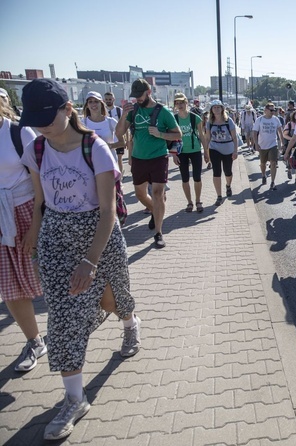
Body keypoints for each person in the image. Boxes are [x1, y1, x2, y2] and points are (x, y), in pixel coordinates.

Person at [19, 78, 140, 441]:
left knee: (113, 297)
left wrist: (90, 261)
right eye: (34, 119)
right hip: (56, 236)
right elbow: (41, 201)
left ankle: (130, 321)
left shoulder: (95, 148)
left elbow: (107, 212)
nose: (41, 126)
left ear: (67, 110)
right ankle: (74, 399)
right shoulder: (37, 150)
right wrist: (35, 237)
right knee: (62, 314)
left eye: (47, 117)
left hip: (98, 234)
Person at [0, 96, 47, 373]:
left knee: (53, 274)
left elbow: (41, 178)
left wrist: (35, 224)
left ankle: (78, 322)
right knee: (10, 287)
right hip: (2, 219)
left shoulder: (18, 132)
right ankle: (35, 341)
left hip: (28, 210)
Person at [115, 79, 182, 248]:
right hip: (139, 158)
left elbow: (177, 134)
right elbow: (119, 133)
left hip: (158, 157)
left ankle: (158, 233)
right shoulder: (133, 110)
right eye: (135, 96)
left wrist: (160, 134)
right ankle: (155, 210)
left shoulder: (162, 111)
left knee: (158, 193)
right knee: (139, 194)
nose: (137, 99)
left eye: (140, 95)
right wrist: (123, 115)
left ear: (149, 92)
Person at [174, 92, 206, 212]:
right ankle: (189, 202)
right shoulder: (174, 119)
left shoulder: (195, 118)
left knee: (197, 177)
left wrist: (206, 152)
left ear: (186, 103)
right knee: (185, 178)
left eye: (181, 102)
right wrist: (174, 155)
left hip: (195, 150)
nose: (179, 105)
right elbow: (172, 138)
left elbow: (202, 136)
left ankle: (198, 200)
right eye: (177, 103)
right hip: (181, 152)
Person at [204, 99, 237, 205]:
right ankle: (219, 196)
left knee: (228, 172)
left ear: (222, 109)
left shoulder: (228, 121)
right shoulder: (210, 122)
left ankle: (228, 185)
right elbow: (207, 138)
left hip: (228, 149)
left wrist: (235, 151)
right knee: (216, 172)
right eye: (214, 107)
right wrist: (206, 152)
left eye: (218, 107)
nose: (216, 109)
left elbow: (234, 137)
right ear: (211, 110)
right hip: (215, 148)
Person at [252, 102, 283, 191]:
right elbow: (255, 132)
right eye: (271, 110)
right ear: (265, 110)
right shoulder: (260, 120)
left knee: (273, 163)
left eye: (274, 110)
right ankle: (263, 174)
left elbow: (280, 131)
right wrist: (256, 144)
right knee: (263, 163)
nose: (273, 112)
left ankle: (273, 182)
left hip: (273, 144)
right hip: (262, 145)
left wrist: (282, 143)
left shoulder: (276, 119)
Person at [103, 92, 126, 174]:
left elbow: (124, 125)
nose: (108, 101)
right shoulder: (102, 111)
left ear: (114, 99)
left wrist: (126, 138)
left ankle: (120, 176)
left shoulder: (119, 111)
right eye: (106, 99)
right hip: (107, 139)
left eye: (110, 99)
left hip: (118, 139)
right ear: (104, 100)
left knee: (119, 158)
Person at [282, 109, 296, 181]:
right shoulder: (289, 124)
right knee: (289, 158)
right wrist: (292, 139)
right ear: (293, 116)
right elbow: (284, 135)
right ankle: (289, 170)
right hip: (290, 145)